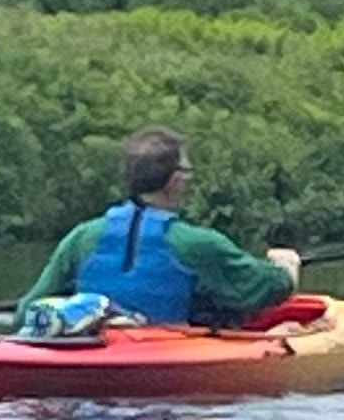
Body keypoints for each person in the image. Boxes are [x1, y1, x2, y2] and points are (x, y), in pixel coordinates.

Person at [17, 128, 303, 328]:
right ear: (174, 181)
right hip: (162, 357)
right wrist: (285, 268)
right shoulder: (195, 244)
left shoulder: (81, 238)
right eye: (187, 171)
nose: (189, 179)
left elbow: (28, 311)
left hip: (93, 351)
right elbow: (264, 288)